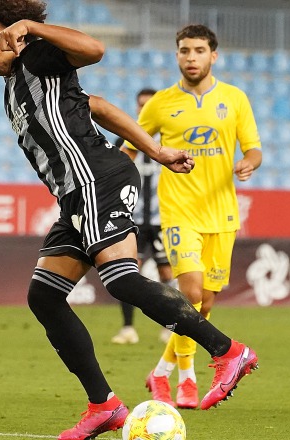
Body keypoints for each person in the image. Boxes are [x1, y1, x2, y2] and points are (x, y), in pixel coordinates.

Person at [0, 1, 258, 439]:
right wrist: (156, 151)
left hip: (98, 179)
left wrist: (32, 28)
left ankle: (229, 352)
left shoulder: (38, 57)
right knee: (44, 295)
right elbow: (96, 105)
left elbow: (94, 49)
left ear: (17, 36)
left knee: (120, 279)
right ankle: (104, 405)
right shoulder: (14, 88)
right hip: (75, 196)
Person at [137, 24, 263, 410]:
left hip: (221, 213)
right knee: (189, 292)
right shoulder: (160, 103)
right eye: (184, 51)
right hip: (178, 212)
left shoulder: (235, 99)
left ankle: (161, 371)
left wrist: (247, 163)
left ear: (213, 56)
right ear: (177, 55)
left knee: (204, 304)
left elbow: (254, 149)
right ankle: (187, 379)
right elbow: (131, 144)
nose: (191, 57)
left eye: (198, 50)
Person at [110, 88, 175, 345]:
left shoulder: (170, 140)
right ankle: (128, 328)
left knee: (167, 273)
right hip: (132, 220)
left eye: (149, 105)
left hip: (163, 219)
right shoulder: (123, 140)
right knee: (128, 272)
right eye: (140, 105)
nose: (143, 109)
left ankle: (171, 326)